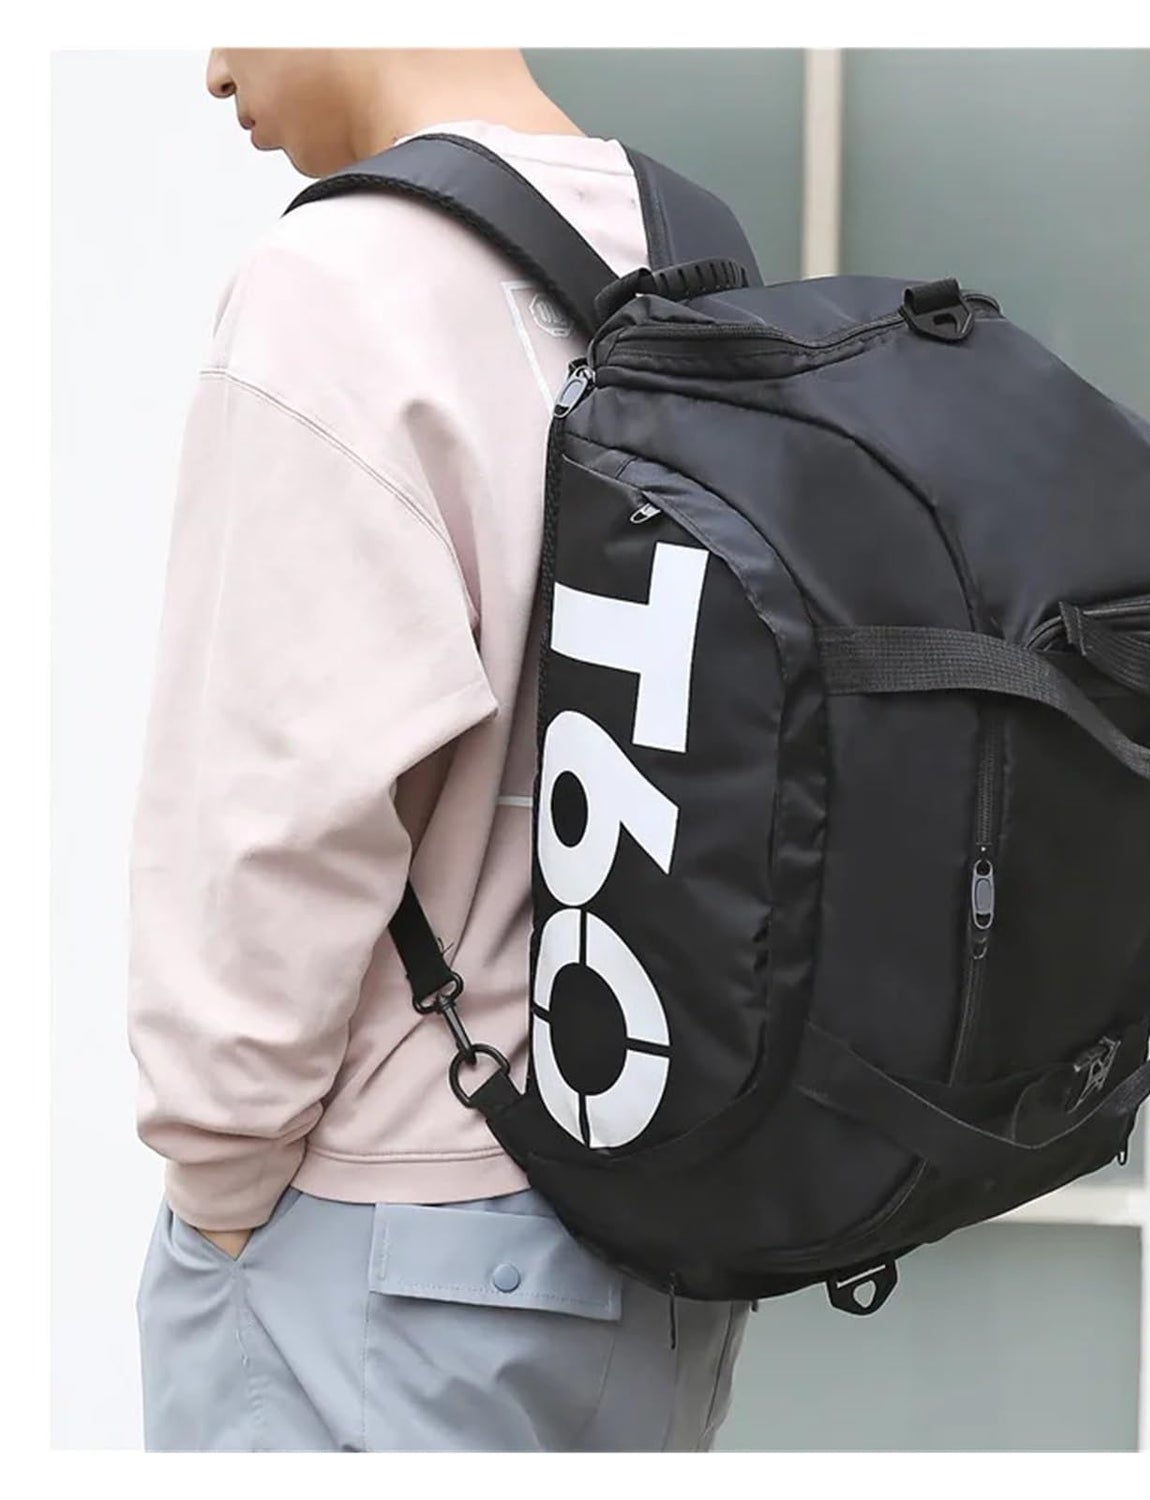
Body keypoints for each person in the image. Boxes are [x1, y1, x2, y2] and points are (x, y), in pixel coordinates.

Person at [127, 47, 752, 1453]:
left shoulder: (331, 285)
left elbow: (275, 812)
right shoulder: (686, 249)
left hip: (385, 1249)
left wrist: (215, 1185)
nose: (214, 61)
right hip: (652, 1247)